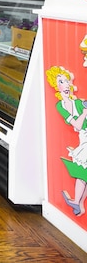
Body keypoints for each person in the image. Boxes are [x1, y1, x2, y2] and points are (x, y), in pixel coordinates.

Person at [46, 66, 87, 216]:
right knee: (83, 171)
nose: (66, 84)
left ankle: (77, 202)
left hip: (85, 135)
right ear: (56, 85)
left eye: (67, 81)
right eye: (61, 81)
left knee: (83, 172)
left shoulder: (78, 103)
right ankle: (76, 202)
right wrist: (84, 113)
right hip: (84, 137)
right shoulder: (60, 106)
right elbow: (77, 124)